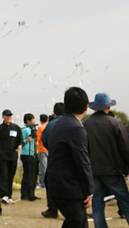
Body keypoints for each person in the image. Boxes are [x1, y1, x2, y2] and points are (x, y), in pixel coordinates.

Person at [46, 87, 93, 228]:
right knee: (78, 223)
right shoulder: (76, 128)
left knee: (73, 222)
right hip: (70, 187)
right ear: (86, 107)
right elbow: (82, 161)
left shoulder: (57, 124)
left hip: (56, 183)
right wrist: (89, 190)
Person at [83, 93, 129, 228]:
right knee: (125, 202)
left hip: (93, 171)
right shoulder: (116, 123)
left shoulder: (85, 124)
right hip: (113, 170)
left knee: (97, 205)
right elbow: (125, 148)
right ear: (108, 107)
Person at [41, 102, 65, 219]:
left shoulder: (50, 124)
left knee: (51, 183)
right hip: (70, 159)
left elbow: (44, 139)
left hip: (55, 158)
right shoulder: (73, 122)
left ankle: (52, 210)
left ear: (54, 113)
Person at [0, 109, 23, 204]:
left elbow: (20, 140)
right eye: (7, 116)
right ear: (3, 116)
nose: (8, 117)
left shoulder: (16, 128)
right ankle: (4, 195)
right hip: (2, 157)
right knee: (4, 176)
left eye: (10, 116)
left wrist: (19, 146)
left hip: (13, 156)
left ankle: (9, 195)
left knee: (10, 176)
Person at [20, 113, 39, 201]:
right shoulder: (25, 130)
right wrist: (26, 140)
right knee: (27, 174)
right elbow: (20, 141)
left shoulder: (32, 129)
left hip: (32, 153)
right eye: (33, 119)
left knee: (32, 174)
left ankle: (31, 192)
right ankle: (24, 193)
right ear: (28, 120)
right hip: (25, 153)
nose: (34, 121)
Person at [36, 114, 49, 188]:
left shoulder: (40, 128)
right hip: (49, 149)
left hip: (42, 149)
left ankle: (43, 183)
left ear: (40, 120)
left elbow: (37, 139)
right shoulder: (49, 127)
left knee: (43, 167)